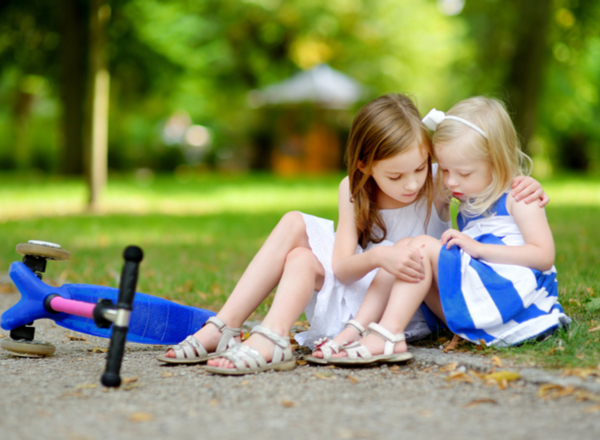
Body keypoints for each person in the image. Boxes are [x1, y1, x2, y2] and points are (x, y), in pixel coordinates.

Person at [157, 94, 546, 374]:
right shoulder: (353, 189)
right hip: (358, 286)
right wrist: (379, 255)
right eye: (395, 175)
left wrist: (528, 184)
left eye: (420, 167)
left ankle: (258, 338)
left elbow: (482, 168)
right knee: (296, 233)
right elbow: (343, 269)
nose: (411, 184)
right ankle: (233, 328)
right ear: (365, 165)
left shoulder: (438, 180)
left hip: (401, 298)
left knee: (302, 251)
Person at [327, 97, 569, 365]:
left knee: (419, 245)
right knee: (404, 248)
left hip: (507, 302)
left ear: (497, 160)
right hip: (476, 302)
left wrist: (478, 249)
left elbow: (544, 256)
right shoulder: (470, 195)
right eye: (444, 170)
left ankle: (389, 334)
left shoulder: (519, 196)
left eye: (464, 173)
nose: (451, 181)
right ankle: (358, 328)